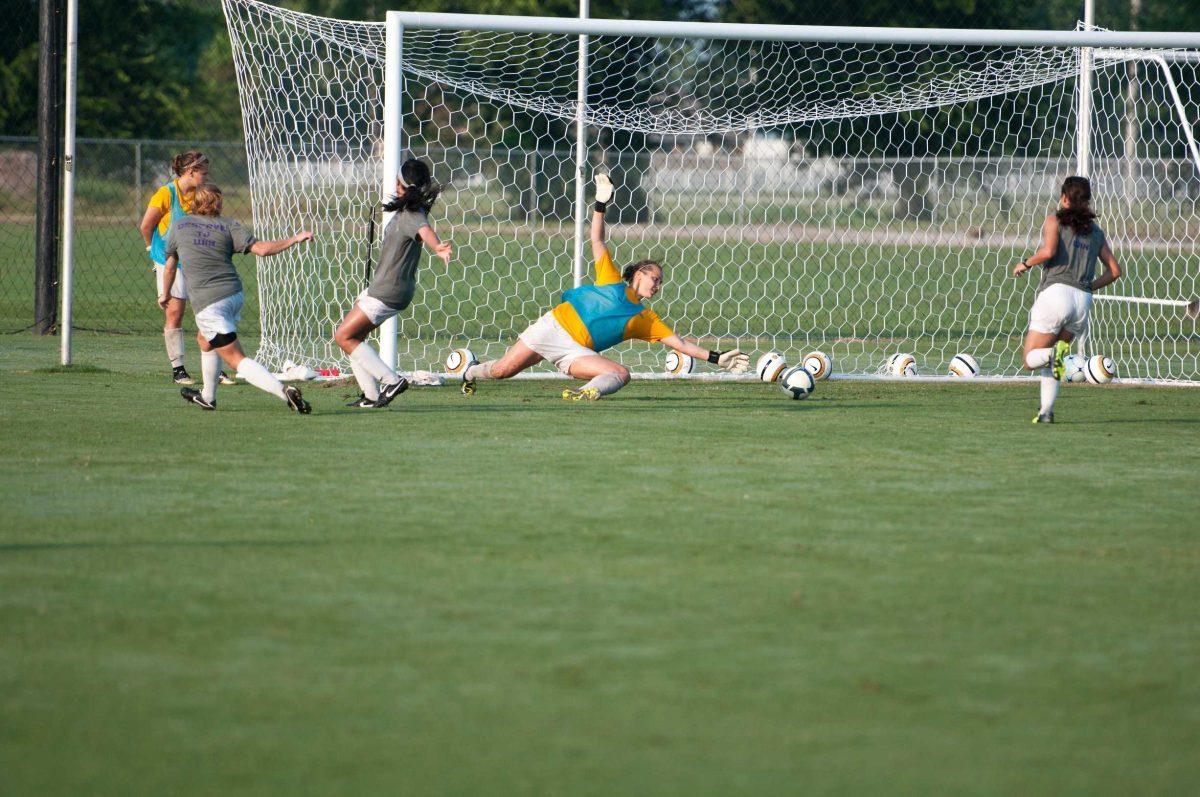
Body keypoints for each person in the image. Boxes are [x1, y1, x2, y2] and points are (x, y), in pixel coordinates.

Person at [461, 174, 749, 400]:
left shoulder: (644, 320)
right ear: (638, 272)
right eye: (655, 277)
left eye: (661, 282)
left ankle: (589, 393)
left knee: (621, 373)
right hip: (553, 328)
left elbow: (680, 344)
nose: (657, 285)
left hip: (575, 352)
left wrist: (717, 357)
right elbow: (597, 240)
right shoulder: (611, 278)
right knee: (502, 371)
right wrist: (601, 203)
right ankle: (470, 371)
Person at [160, 182, 314, 413]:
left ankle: (284, 392)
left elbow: (170, 265)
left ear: (194, 203)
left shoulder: (180, 225)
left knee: (235, 360)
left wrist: (165, 293)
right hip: (233, 295)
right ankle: (207, 397)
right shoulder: (228, 225)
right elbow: (261, 249)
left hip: (208, 304)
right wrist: (294, 238)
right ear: (218, 203)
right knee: (205, 339)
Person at [334, 158, 452, 408]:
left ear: (400, 183)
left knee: (343, 336)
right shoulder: (410, 208)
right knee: (356, 338)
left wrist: (438, 247)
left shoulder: (412, 214)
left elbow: (425, 230)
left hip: (388, 290)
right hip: (388, 287)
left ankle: (391, 380)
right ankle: (371, 395)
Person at [1013, 176, 1121, 423]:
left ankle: (1053, 357)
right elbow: (1115, 272)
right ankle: (1046, 413)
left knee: (1031, 359)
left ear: (1063, 198)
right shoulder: (1096, 233)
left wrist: (1025, 263)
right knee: (1054, 357)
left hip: (1056, 295)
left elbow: (1048, 251)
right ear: (1087, 201)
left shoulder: (1054, 220)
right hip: (1082, 302)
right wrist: (1088, 287)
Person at [138, 150, 232, 386]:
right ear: (190, 172)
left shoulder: (203, 195)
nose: (207, 177)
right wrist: (154, 253)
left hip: (198, 262)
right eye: (204, 173)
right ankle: (178, 369)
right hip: (171, 263)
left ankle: (216, 369)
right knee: (174, 313)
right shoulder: (166, 194)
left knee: (209, 315)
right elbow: (146, 226)